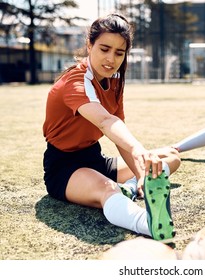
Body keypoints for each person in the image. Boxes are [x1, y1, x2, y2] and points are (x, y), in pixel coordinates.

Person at [42, 14, 181, 240]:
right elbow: (106, 122)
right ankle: (149, 224)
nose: (111, 59)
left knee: (171, 158)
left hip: (95, 159)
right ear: (90, 45)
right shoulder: (75, 82)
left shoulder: (115, 81)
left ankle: (132, 186)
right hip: (64, 168)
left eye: (119, 52)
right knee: (109, 190)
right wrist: (139, 151)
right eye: (104, 49)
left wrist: (142, 173)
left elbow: (119, 134)